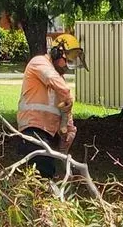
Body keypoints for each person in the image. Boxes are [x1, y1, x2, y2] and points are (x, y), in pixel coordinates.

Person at [15, 32, 81, 179]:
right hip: (32, 128)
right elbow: (60, 87)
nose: (68, 65)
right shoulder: (39, 63)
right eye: (68, 58)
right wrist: (68, 96)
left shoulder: (59, 79)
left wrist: (69, 131)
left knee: (44, 174)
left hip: (47, 133)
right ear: (57, 53)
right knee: (44, 173)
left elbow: (65, 109)